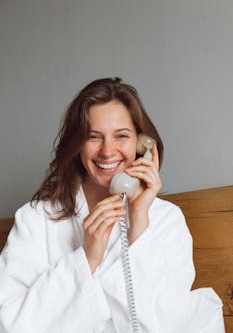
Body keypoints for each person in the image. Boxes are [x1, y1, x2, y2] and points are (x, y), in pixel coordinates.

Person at [0, 77, 225, 333]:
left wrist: (139, 222)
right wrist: (86, 259)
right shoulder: (35, 219)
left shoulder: (166, 219)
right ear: (77, 145)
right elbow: (9, 323)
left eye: (122, 136)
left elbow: (170, 324)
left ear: (142, 144)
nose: (108, 151)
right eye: (94, 137)